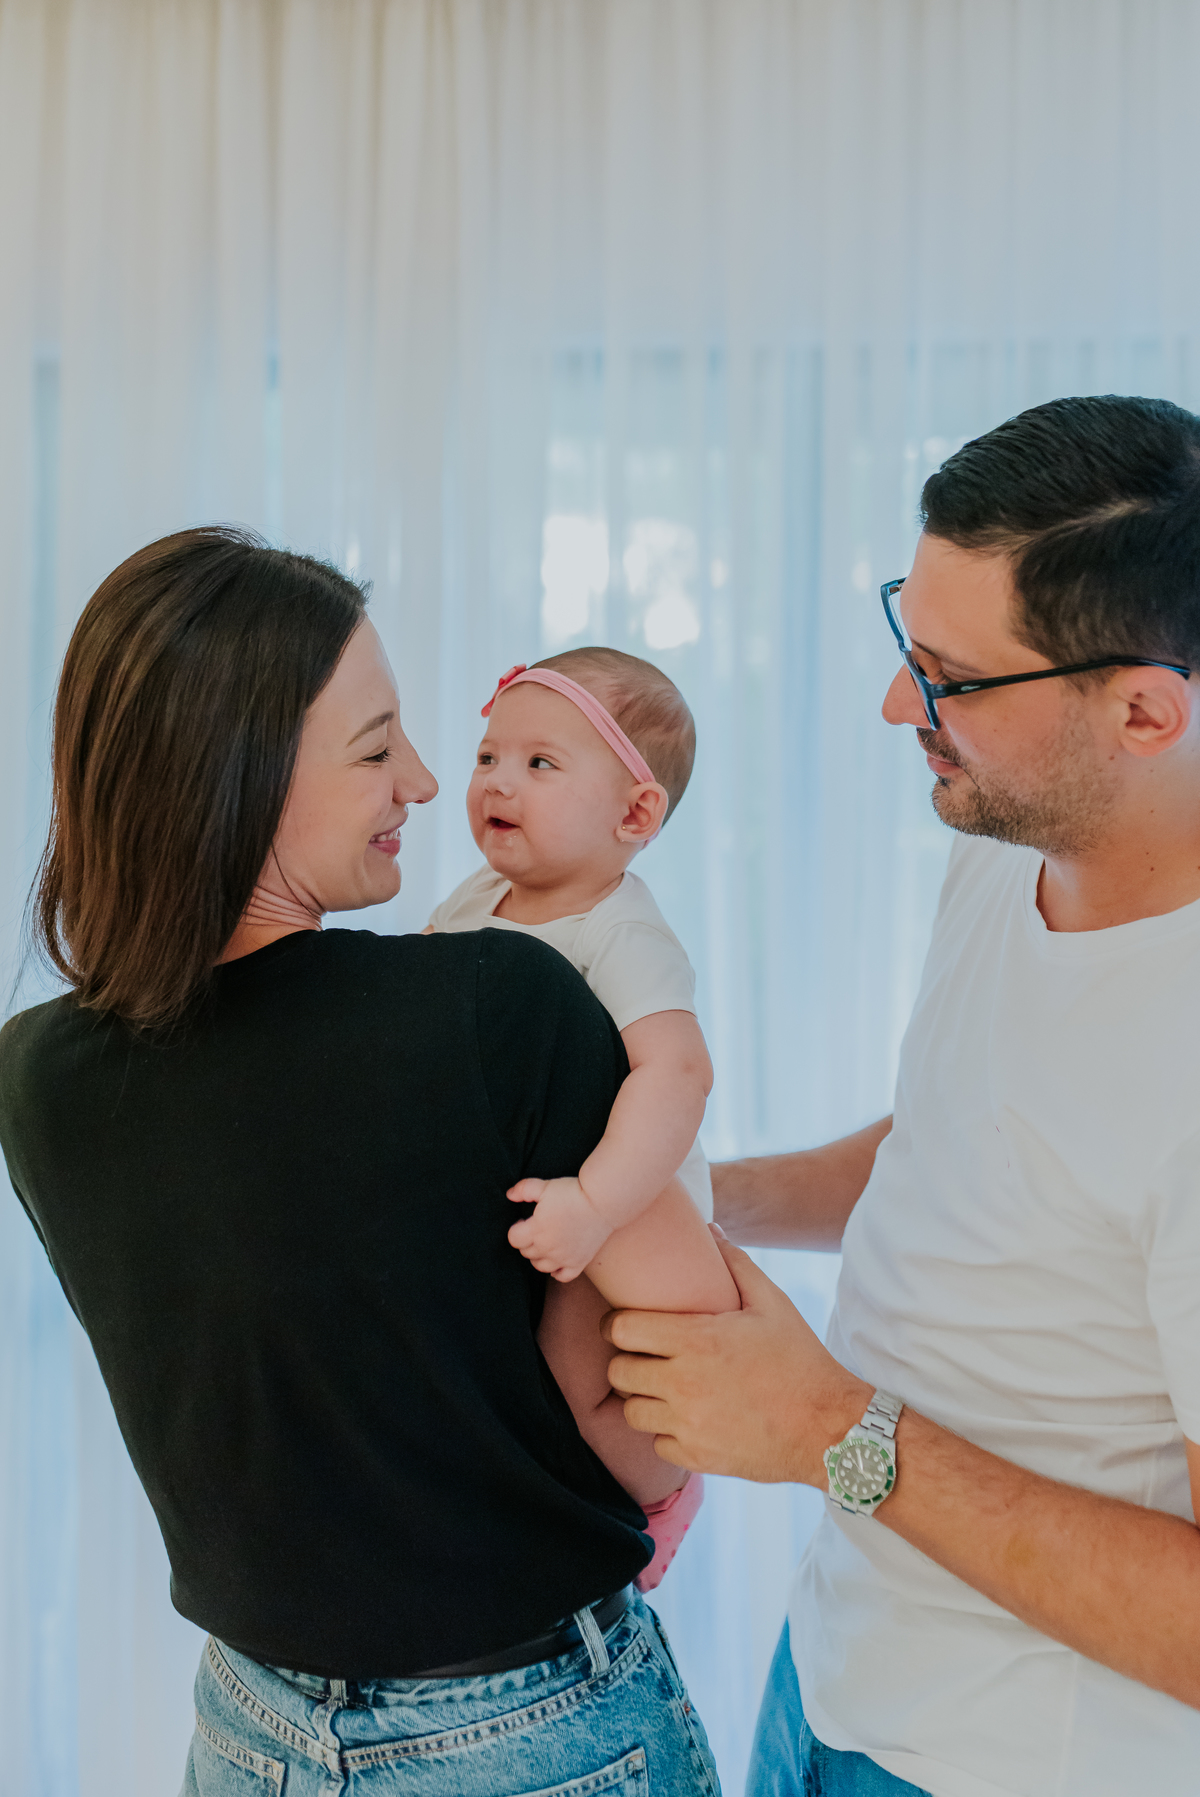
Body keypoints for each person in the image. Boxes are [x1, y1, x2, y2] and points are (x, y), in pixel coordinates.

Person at [0, 526, 721, 1796]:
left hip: (244, 1731)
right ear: (249, 771)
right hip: (531, 1735)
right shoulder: (501, 999)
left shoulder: (33, 1075)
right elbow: (680, 1394)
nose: (431, 784)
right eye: (380, 747)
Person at [601, 395, 1200, 1797]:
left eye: (950, 676)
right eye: (905, 643)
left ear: (1143, 708)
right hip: (834, 1676)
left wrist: (826, 1429)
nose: (896, 705)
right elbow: (962, 1150)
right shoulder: (1011, 842)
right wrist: (685, 1192)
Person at [428, 648, 739, 1585]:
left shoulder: (620, 929)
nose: (496, 782)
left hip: (625, 1213)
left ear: (635, 813)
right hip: (537, 1196)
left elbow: (678, 1071)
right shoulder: (478, 898)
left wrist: (598, 1203)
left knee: (577, 1359)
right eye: (488, 758)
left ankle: (658, 1500)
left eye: (540, 764)